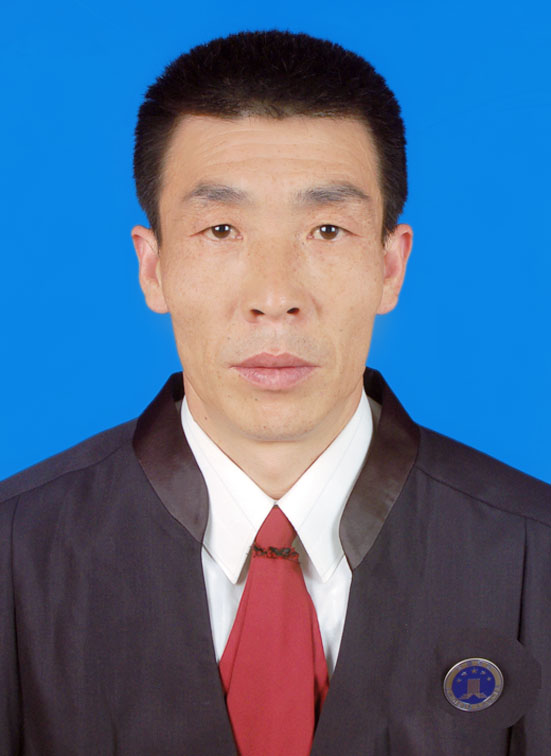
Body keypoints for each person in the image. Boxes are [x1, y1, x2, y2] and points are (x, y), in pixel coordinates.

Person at [1, 30, 549, 756]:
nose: (274, 296)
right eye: (221, 228)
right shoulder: (15, 553)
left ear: (389, 267)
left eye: (327, 229)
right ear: (153, 268)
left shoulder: (534, 552)